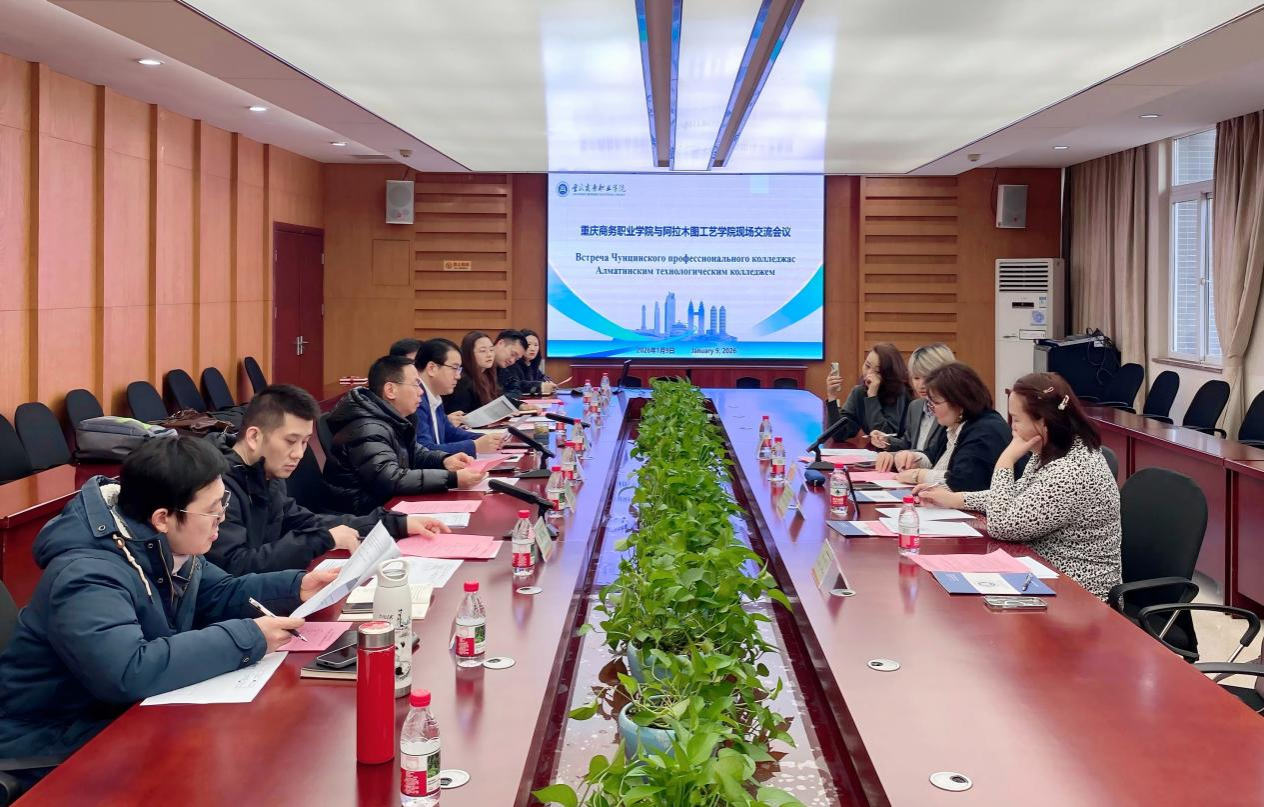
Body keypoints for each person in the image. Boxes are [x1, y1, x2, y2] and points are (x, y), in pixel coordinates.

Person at [0, 437, 339, 784]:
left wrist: (296, 586)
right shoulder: (87, 575)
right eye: (212, 509)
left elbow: (220, 593)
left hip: (117, 720)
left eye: (223, 502)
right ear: (163, 518)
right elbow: (128, 671)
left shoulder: (162, 545)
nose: (221, 518)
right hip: (50, 744)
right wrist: (248, 637)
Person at [914, 373, 1122, 599]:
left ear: (1043, 421)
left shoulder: (1071, 471)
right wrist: (957, 499)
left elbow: (1001, 525)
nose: (1012, 427)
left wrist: (1005, 462)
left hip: (1079, 593)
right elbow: (1017, 496)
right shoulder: (1052, 450)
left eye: (1016, 419)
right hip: (1042, 575)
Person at [208, 384, 451, 575]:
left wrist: (395, 524)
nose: (299, 453)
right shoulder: (217, 485)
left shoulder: (265, 472)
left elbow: (305, 521)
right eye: (291, 441)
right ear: (254, 437)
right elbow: (235, 565)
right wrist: (320, 539)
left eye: (305, 442)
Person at [323, 356, 486, 515]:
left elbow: (415, 453)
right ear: (390, 390)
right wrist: (452, 478)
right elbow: (390, 479)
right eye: (415, 384)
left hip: (386, 506)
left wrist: (444, 460)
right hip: (364, 515)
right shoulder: (367, 428)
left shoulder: (391, 418)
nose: (421, 392)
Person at [893, 362, 1011, 492]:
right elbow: (933, 456)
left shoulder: (985, 431)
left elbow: (963, 481)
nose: (932, 409)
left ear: (958, 402)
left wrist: (919, 475)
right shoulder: (955, 424)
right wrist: (914, 458)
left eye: (935, 403)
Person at [415, 339, 507, 456]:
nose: (458, 376)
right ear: (432, 368)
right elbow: (425, 451)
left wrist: (487, 439)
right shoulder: (416, 400)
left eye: (459, 369)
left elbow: (450, 433)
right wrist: (475, 446)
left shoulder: (434, 397)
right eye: (454, 368)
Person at [873, 343, 956, 473]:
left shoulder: (952, 411)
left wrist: (895, 456)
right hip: (910, 474)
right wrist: (887, 441)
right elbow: (907, 444)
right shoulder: (915, 406)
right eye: (916, 378)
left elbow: (934, 455)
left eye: (927, 377)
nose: (921, 385)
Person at [823, 343, 911, 439]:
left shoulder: (899, 393)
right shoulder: (859, 392)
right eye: (867, 366)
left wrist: (872, 396)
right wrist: (831, 396)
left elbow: (885, 437)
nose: (868, 374)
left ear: (889, 374)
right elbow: (839, 434)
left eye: (877, 371)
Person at [443, 331, 498, 420]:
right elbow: (459, 415)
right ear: (469, 354)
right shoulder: (462, 381)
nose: (489, 355)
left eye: (491, 350)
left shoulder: (487, 375)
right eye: (483, 351)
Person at [499, 328, 556, 397]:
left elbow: (542, 377)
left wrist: (548, 382)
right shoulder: (511, 364)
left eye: (536, 345)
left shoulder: (532, 364)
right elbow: (517, 384)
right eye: (529, 344)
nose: (533, 349)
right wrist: (540, 386)